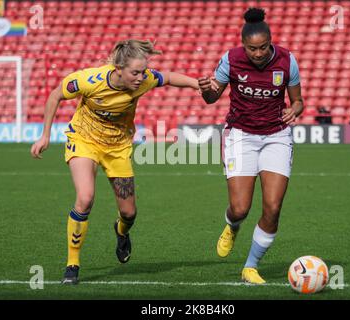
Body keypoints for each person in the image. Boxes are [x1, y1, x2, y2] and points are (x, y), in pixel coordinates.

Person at [30, 39, 202, 285]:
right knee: (85, 198)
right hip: (84, 140)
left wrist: (197, 84)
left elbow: (170, 77)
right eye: (135, 72)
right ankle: (72, 265)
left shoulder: (144, 81)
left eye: (143, 72)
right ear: (118, 69)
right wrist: (45, 134)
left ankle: (121, 232)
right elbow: (55, 95)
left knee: (129, 213)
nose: (141, 77)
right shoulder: (89, 80)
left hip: (118, 148)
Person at [198, 8, 304, 284]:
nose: (257, 54)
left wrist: (295, 109)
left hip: (277, 136)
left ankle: (250, 266)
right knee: (240, 208)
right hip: (241, 135)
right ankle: (232, 226)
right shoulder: (230, 60)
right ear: (243, 45)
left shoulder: (287, 61)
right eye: (252, 49)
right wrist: (206, 88)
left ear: (271, 42)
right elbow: (212, 98)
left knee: (272, 207)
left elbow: (298, 100)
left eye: (263, 48)